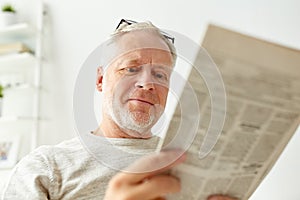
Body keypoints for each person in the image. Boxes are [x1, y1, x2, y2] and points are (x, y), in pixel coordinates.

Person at [2, 19, 237, 200]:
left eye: (160, 75)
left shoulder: (195, 166)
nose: (148, 83)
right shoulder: (46, 167)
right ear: (101, 80)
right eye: (131, 69)